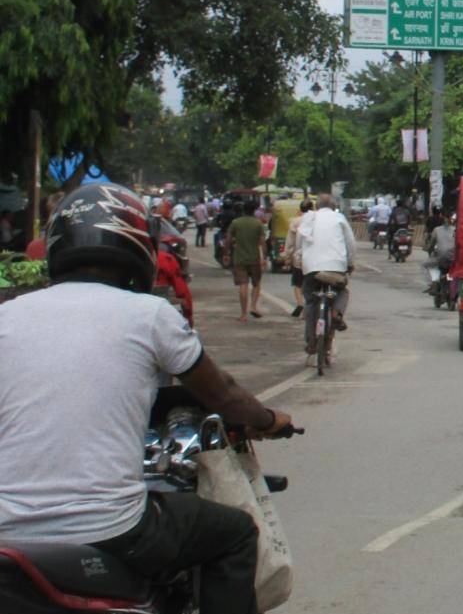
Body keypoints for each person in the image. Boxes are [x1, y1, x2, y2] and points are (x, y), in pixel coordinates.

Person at [0, 184, 294, 614]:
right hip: (110, 526)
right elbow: (223, 393)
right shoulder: (151, 315)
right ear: (138, 246)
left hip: (9, 530)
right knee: (234, 533)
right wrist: (269, 420)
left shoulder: (7, 316)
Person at [298, 194, 356, 366]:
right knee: (341, 290)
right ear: (333, 206)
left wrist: (297, 258)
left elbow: (299, 242)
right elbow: (350, 244)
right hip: (335, 268)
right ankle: (336, 312)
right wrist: (350, 263)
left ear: (317, 205)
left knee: (310, 302)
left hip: (311, 269)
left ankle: (311, 343)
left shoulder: (308, 218)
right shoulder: (339, 218)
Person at [226, 200, 266, 322]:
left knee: (243, 285)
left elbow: (228, 239)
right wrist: (264, 258)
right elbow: (262, 243)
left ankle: (243, 314)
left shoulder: (236, 223)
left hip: (239, 259)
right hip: (254, 258)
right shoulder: (258, 224)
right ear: (254, 211)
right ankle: (253, 306)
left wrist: (226, 253)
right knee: (256, 284)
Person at [285, 199, 313, 318]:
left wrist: (287, 256)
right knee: (311, 283)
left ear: (300, 210)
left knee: (297, 283)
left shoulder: (295, 221)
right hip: (314, 258)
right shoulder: (316, 221)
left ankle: (300, 303)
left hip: (299, 258)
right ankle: (309, 305)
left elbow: (290, 242)